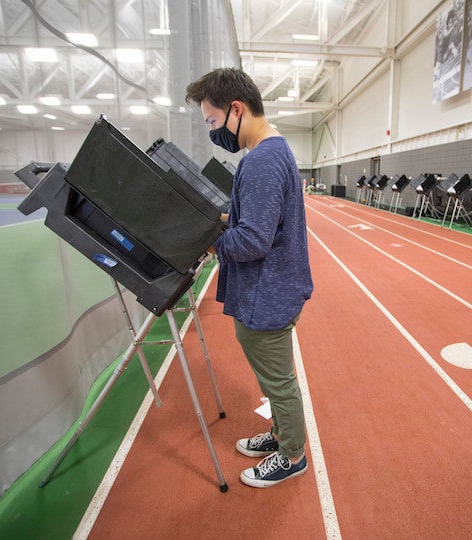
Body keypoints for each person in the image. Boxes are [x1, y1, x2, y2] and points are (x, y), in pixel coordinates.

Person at [185, 68, 314, 488]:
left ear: (236, 109)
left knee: (279, 381)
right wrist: (226, 218)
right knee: (274, 377)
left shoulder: (260, 160)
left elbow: (255, 240)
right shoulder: (271, 151)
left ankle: (292, 455)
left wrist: (211, 242)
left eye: (211, 120)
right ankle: (279, 435)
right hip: (274, 287)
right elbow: (261, 223)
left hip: (268, 292)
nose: (211, 129)